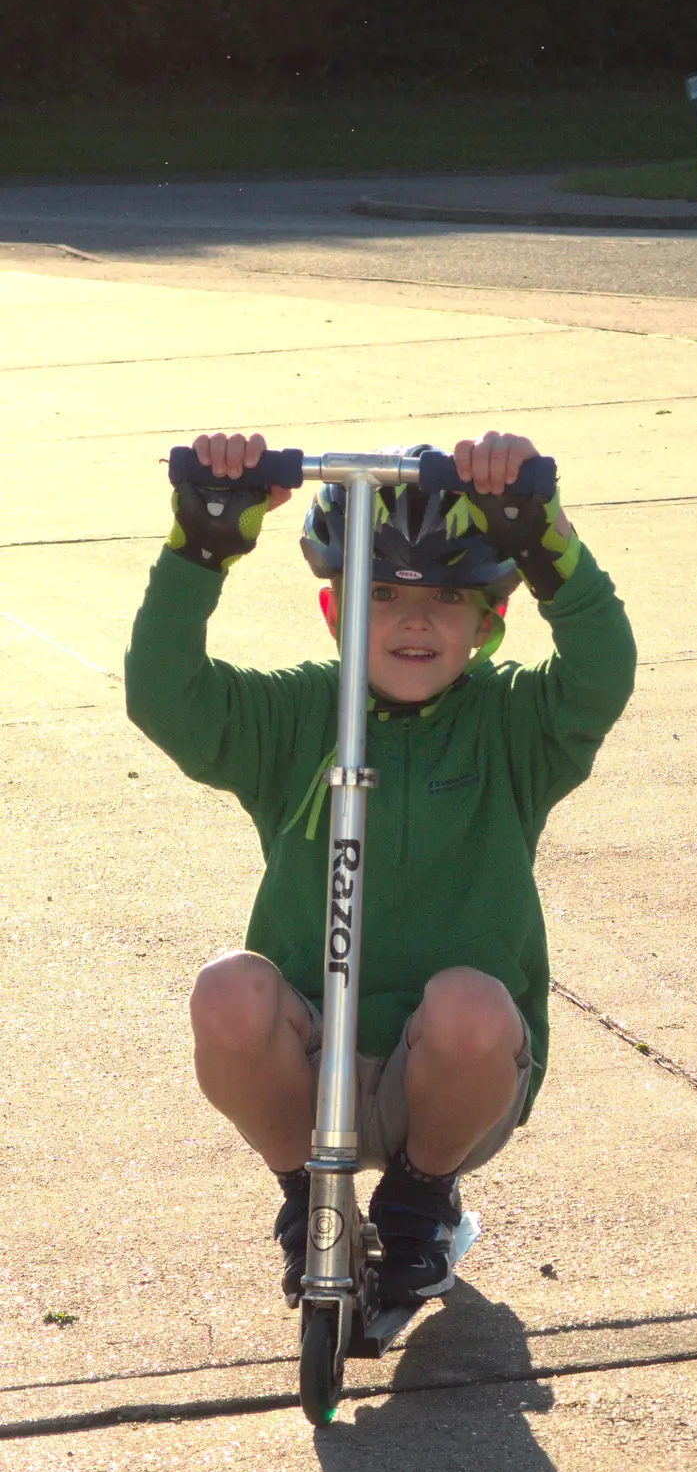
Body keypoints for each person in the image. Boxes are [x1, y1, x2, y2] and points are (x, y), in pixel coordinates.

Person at [125, 429, 636, 1308]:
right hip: (307, 1059)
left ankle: (418, 1202)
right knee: (227, 989)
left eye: (446, 596)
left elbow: (601, 672)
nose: (412, 618)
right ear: (334, 612)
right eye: (382, 593)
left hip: (453, 1080)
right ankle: (308, 1198)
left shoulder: (515, 727)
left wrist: (541, 539)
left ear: (489, 621)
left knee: (471, 1001)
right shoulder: (291, 715)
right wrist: (201, 546)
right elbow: (165, 693)